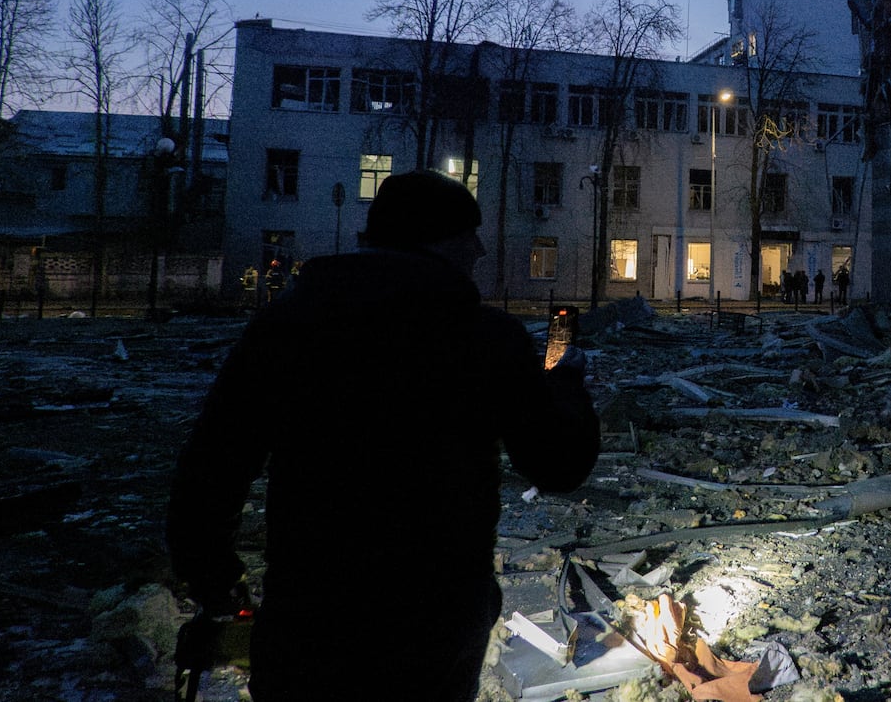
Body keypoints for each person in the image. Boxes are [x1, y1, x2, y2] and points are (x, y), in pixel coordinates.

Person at [167, 170, 599, 701]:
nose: (480, 249)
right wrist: (568, 385)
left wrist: (213, 576)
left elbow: (214, 461)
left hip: (310, 613)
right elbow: (559, 464)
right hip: (433, 620)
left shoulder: (288, 324)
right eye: (470, 235)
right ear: (439, 239)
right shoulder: (481, 337)